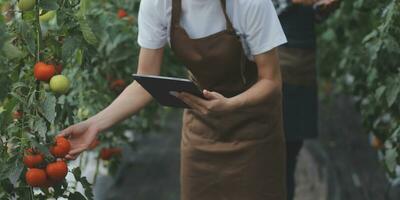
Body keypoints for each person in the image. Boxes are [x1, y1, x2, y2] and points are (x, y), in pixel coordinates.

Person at [59, 0, 288, 199]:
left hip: (254, 129)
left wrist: (231, 105)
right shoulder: (159, 4)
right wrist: (94, 124)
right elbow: (144, 81)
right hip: (202, 129)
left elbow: (271, 81)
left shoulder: (251, 3)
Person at [272, 0, 339, 199]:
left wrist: (322, 7)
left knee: (291, 147)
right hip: (274, 59)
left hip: (302, 64)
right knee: (271, 150)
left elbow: (314, 14)